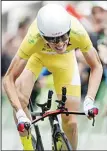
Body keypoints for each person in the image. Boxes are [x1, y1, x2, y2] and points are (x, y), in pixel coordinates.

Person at [3, 4, 103, 150]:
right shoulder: (32, 38)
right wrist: (19, 113)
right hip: (37, 57)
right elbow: (8, 78)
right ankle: (27, 147)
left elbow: (97, 66)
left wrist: (89, 100)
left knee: (70, 122)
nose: (61, 43)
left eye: (64, 36)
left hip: (65, 62)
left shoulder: (78, 31)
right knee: (20, 96)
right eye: (54, 39)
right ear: (43, 36)